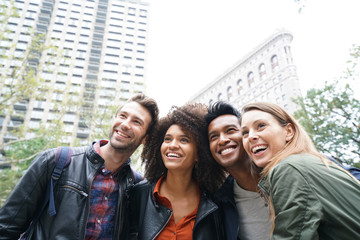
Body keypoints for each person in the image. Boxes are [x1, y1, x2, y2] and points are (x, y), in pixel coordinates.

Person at [0, 94, 159, 240]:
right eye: (122, 116)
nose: (125, 124)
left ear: (146, 138)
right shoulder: (56, 161)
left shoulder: (137, 186)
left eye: (136, 121)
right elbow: (6, 227)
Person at [240, 102, 360, 239]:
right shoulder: (311, 163)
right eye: (245, 133)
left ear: (289, 132)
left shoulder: (288, 169)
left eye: (261, 126)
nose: (250, 137)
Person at [129, 103, 226, 240]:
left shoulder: (215, 201)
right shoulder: (139, 194)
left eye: (184, 140)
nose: (172, 145)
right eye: (167, 139)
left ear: (199, 153)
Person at [205, 101, 272, 240]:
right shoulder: (219, 204)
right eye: (214, 137)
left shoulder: (288, 172)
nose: (222, 140)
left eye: (230, 130)